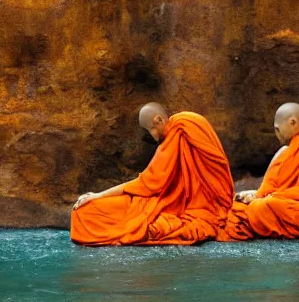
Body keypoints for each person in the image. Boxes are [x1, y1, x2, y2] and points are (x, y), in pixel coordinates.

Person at [70, 103, 234, 246]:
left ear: (159, 120)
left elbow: (147, 183)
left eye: (152, 129)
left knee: (85, 212)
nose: (153, 135)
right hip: (183, 201)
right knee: (84, 212)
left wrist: (98, 195)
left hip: (182, 206)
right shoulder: (187, 121)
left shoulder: (178, 131)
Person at [218, 103, 299, 240]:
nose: (276, 134)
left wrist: (273, 196)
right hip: (286, 201)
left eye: (278, 129)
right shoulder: (288, 151)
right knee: (240, 206)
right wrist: (257, 194)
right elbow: (272, 184)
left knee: (265, 206)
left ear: (292, 122)